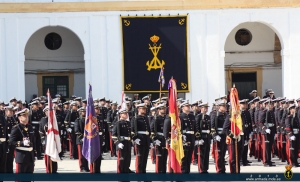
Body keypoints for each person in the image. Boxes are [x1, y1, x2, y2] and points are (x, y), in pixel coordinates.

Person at [9, 108, 36, 173]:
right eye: (24, 116)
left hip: (30, 157)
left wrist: (34, 154)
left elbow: (33, 141)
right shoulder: (16, 128)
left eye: (27, 115)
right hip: (21, 157)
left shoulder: (30, 127)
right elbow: (11, 142)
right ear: (19, 118)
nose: (27, 117)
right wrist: (22, 143)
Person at [131, 103, 151, 173]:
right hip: (139, 140)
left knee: (145, 159)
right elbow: (132, 130)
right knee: (139, 159)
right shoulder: (135, 118)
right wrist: (135, 138)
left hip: (146, 140)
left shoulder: (146, 118)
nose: (144, 110)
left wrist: (150, 141)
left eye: (145, 108)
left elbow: (149, 130)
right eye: (143, 108)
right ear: (138, 109)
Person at [112, 108, 132, 173]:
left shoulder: (128, 123)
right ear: (120, 115)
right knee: (121, 163)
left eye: (126, 113)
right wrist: (118, 143)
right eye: (124, 113)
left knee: (127, 162)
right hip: (122, 144)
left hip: (127, 144)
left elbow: (129, 134)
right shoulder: (118, 123)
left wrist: (131, 143)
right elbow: (113, 136)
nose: (126, 114)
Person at [39, 106, 58, 173]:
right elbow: (41, 130)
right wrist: (43, 139)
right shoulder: (44, 119)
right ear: (45, 112)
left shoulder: (54, 119)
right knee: (48, 156)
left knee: (54, 155)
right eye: (47, 111)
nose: (49, 112)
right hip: (47, 139)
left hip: (54, 139)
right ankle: (49, 170)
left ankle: (54, 170)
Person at [211, 99, 227, 173]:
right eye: (223, 106)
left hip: (224, 136)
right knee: (218, 155)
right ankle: (219, 170)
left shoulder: (226, 115)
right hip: (218, 137)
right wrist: (215, 135)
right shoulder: (215, 114)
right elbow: (212, 127)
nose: (225, 107)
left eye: (225, 105)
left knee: (223, 154)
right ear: (219, 107)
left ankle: (223, 169)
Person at [150, 103, 168, 173]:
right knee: (159, 158)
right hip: (159, 140)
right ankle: (158, 173)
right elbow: (152, 131)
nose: (163, 110)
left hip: (165, 140)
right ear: (158, 110)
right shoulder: (156, 119)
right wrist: (155, 140)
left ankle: (163, 173)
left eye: (164, 108)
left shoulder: (167, 118)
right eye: (161, 109)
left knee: (164, 158)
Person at [179, 101, 195, 173]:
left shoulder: (192, 116)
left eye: (189, 106)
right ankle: (183, 172)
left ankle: (187, 172)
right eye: (186, 106)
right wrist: (182, 136)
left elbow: (194, 128)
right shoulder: (180, 116)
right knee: (184, 158)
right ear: (182, 107)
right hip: (184, 138)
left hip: (191, 138)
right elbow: (179, 128)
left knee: (189, 157)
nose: (188, 107)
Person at [195, 102, 211, 173]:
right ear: (201, 108)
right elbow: (197, 128)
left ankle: (205, 169)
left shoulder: (208, 117)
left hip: (207, 137)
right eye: (205, 108)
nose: (206, 109)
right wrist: (198, 138)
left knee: (206, 154)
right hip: (202, 137)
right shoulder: (199, 116)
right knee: (201, 154)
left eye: (207, 108)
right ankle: (201, 169)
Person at [259, 99, 276, 167]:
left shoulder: (271, 112)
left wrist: (275, 132)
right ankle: (265, 161)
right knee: (266, 147)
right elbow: (260, 123)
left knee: (270, 146)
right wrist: (265, 129)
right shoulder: (264, 112)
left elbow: (274, 122)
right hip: (266, 132)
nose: (271, 106)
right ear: (266, 105)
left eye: (272, 104)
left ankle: (269, 160)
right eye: (270, 104)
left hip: (271, 130)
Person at [74, 107, 89, 172]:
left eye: (85, 111)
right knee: (81, 155)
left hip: (87, 139)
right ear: (80, 112)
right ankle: (82, 167)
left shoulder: (88, 120)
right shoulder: (77, 120)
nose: (84, 113)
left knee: (86, 154)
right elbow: (76, 130)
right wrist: (82, 137)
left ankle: (86, 167)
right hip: (80, 140)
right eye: (83, 111)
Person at [4, 105, 19, 173]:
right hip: (6, 141)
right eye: (9, 111)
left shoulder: (14, 120)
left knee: (11, 157)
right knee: (5, 157)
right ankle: (5, 170)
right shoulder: (4, 120)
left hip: (12, 140)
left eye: (11, 111)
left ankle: (10, 170)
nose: (10, 112)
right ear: (6, 112)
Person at [240, 99, 252, 166]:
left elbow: (249, 122)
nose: (245, 105)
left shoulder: (247, 112)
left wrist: (250, 131)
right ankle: (241, 160)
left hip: (246, 131)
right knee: (241, 147)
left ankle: (245, 160)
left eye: (246, 104)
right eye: (243, 104)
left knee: (246, 147)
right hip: (241, 132)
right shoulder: (238, 112)